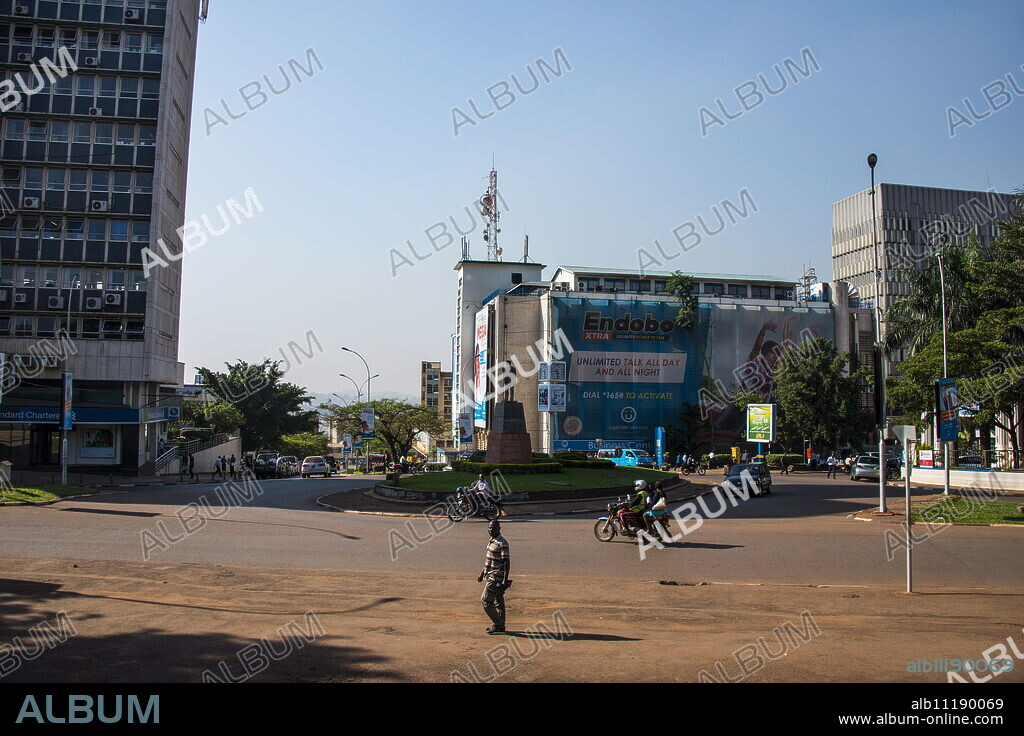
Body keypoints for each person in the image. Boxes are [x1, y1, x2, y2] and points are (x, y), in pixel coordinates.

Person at [477, 518, 511, 634]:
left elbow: (506, 562)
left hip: (496, 577)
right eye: (490, 528)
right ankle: (501, 625)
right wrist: (482, 574)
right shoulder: (492, 540)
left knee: (486, 601)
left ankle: (497, 624)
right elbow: (490, 560)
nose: (491, 530)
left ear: (499, 529)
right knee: (498, 601)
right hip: (490, 574)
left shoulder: (502, 543)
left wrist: (504, 580)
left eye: (494, 528)